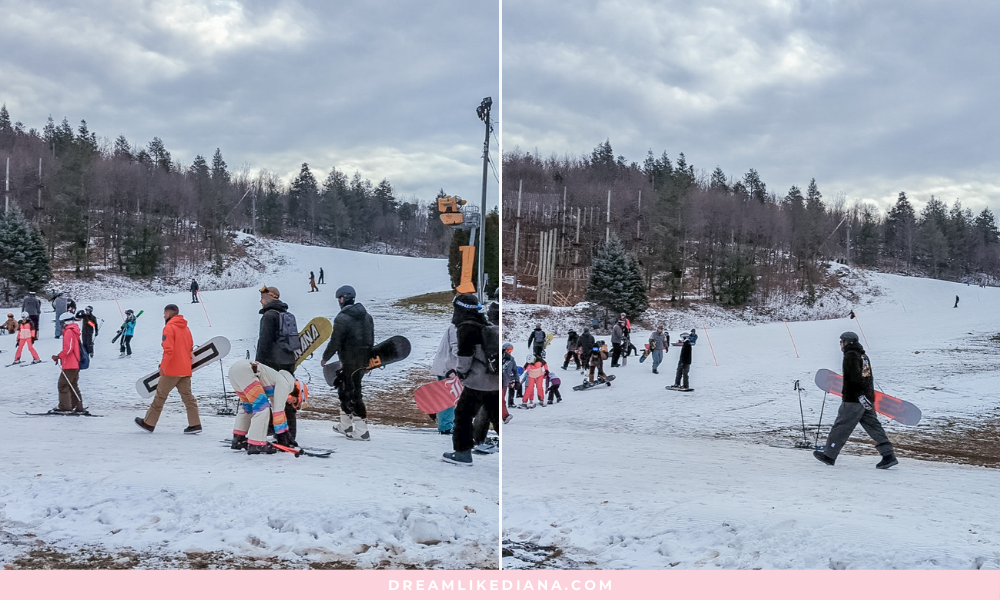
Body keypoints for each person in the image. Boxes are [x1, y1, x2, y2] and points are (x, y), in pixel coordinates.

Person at [814, 332, 898, 469]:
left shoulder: (850, 356)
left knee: (841, 426)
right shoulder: (863, 356)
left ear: (847, 342)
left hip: (854, 400)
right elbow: (866, 377)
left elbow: (854, 379)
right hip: (867, 398)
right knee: (873, 426)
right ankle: (888, 455)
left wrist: (858, 397)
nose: (840, 344)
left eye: (841, 341)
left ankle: (829, 455)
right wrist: (866, 397)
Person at [442, 293, 499, 466]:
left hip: (477, 382)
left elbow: (465, 355)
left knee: (463, 415)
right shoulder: (484, 322)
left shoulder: (466, 327)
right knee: (496, 418)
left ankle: (463, 453)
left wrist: (461, 372)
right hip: (493, 380)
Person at [134, 305, 202, 434]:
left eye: (165, 313)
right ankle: (195, 424)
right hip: (185, 369)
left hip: (172, 369)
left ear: (170, 313)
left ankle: (149, 423)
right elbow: (190, 347)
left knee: (160, 396)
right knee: (188, 397)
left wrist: (163, 367)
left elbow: (168, 350)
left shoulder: (169, 328)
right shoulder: (186, 328)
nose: (164, 316)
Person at [321, 285, 375, 441]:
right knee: (345, 390)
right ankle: (345, 425)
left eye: (339, 298)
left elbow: (335, 341)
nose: (339, 301)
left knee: (353, 393)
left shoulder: (342, 318)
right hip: (363, 360)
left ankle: (362, 430)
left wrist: (325, 357)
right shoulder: (367, 317)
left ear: (343, 298)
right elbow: (371, 339)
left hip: (348, 360)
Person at [228, 359, 307, 454]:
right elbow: (278, 412)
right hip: (247, 371)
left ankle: (238, 439)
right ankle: (257, 444)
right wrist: (283, 437)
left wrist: (285, 435)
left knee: (247, 407)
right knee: (263, 408)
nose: (289, 402)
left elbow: (276, 409)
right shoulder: (285, 384)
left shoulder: (277, 378)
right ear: (296, 391)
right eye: (294, 401)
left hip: (235, 371)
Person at [255, 285, 300, 444]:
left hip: (272, 362)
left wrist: (258, 363)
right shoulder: (286, 315)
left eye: (262, 299)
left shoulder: (269, 316)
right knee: (287, 396)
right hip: (288, 361)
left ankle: (272, 429)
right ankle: (289, 432)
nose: (260, 301)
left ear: (268, 299)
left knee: (271, 397)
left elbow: (265, 341)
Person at [429, 323, 459, 434]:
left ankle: (451, 424)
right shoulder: (456, 328)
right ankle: (445, 426)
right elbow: (457, 349)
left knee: (454, 397)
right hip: (448, 368)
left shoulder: (459, 326)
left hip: (452, 368)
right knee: (448, 398)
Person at [51, 311, 84, 413]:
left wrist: (58, 356)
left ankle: (65, 407)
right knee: (72, 384)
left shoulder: (69, 332)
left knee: (63, 385)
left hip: (70, 364)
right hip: (74, 363)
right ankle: (77, 406)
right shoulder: (73, 330)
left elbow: (68, 349)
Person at [502, 343, 517, 408]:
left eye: (511, 350)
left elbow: (515, 370)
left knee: (511, 390)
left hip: (509, 378)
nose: (509, 352)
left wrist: (517, 380)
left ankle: (511, 402)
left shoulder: (511, 359)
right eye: (508, 350)